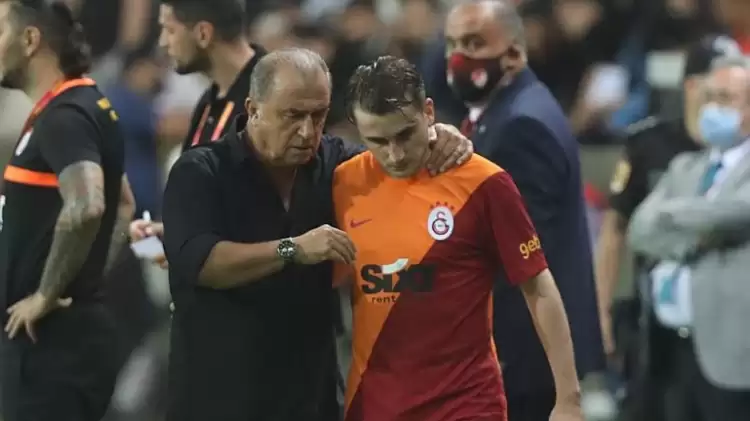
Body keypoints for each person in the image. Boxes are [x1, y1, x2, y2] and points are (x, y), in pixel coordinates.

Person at [161, 47, 473, 421]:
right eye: (293, 115)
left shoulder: (336, 163)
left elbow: (396, 157)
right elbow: (200, 263)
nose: (307, 131)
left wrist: (436, 135)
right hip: (218, 401)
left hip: (311, 401)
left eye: (319, 115)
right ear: (254, 108)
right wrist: (293, 249)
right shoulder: (201, 172)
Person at [334, 55, 583, 421]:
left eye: (405, 135)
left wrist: (569, 399)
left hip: (466, 405)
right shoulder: (343, 184)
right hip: (375, 406)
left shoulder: (484, 183)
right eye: (378, 141)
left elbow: (538, 286)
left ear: (428, 112)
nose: (395, 154)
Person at [443, 1, 604, 419]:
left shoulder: (521, 125)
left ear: (514, 52)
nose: (458, 57)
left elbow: (524, 260)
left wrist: (497, 346)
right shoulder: (508, 109)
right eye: (452, 43)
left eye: (474, 43)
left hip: (522, 355)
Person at [0, 1, 135, 420]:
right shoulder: (79, 102)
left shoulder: (65, 116)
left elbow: (87, 206)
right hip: (65, 338)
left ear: (29, 40)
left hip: (49, 347)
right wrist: (82, 279)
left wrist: (47, 294)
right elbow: (123, 204)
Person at [593, 34, 738, 420]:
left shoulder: (739, 149)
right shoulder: (650, 144)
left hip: (725, 320)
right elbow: (616, 229)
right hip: (654, 322)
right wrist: (601, 310)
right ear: (692, 85)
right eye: (718, 84)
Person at [628, 55, 750, 421]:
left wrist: (669, 216)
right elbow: (640, 229)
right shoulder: (685, 166)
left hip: (731, 353)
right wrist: (694, 235)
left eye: (725, 98)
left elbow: (733, 213)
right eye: (709, 97)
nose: (712, 108)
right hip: (671, 349)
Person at [129, 0, 266, 266]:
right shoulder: (208, 102)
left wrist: (191, 248)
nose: (163, 42)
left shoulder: (271, 98)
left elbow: (264, 222)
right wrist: (171, 236)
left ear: (203, 33)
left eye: (170, 30)